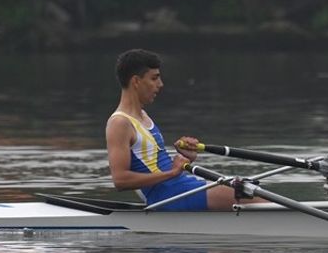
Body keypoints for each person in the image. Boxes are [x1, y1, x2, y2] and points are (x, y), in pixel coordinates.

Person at [105, 49, 245, 211]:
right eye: (154, 78)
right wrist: (173, 173)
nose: (160, 84)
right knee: (242, 192)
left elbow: (155, 165)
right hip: (168, 196)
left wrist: (186, 158)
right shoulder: (119, 123)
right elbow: (120, 180)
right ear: (136, 81)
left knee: (245, 187)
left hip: (181, 188)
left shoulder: (143, 116)